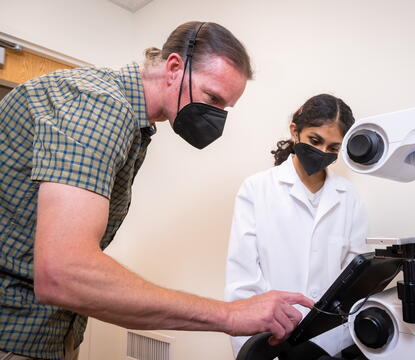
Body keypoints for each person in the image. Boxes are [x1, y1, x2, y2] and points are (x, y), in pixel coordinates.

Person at [0, 21, 313, 360]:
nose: (216, 116)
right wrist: (231, 314)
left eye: (225, 108)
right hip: (13, 334)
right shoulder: (98, 104)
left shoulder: (134, 124)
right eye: (212, 98)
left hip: (50, 334)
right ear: (174, 67)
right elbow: (64, 272)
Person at [225, 94, 371, 358]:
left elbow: (354, 281)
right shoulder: (256, 189)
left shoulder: (348, 197)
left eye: (333, 148)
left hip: (329, 343)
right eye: (315, 141)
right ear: (295, 131)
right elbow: (242, 279)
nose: (323, 152)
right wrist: (251, 348)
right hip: (270, 339)